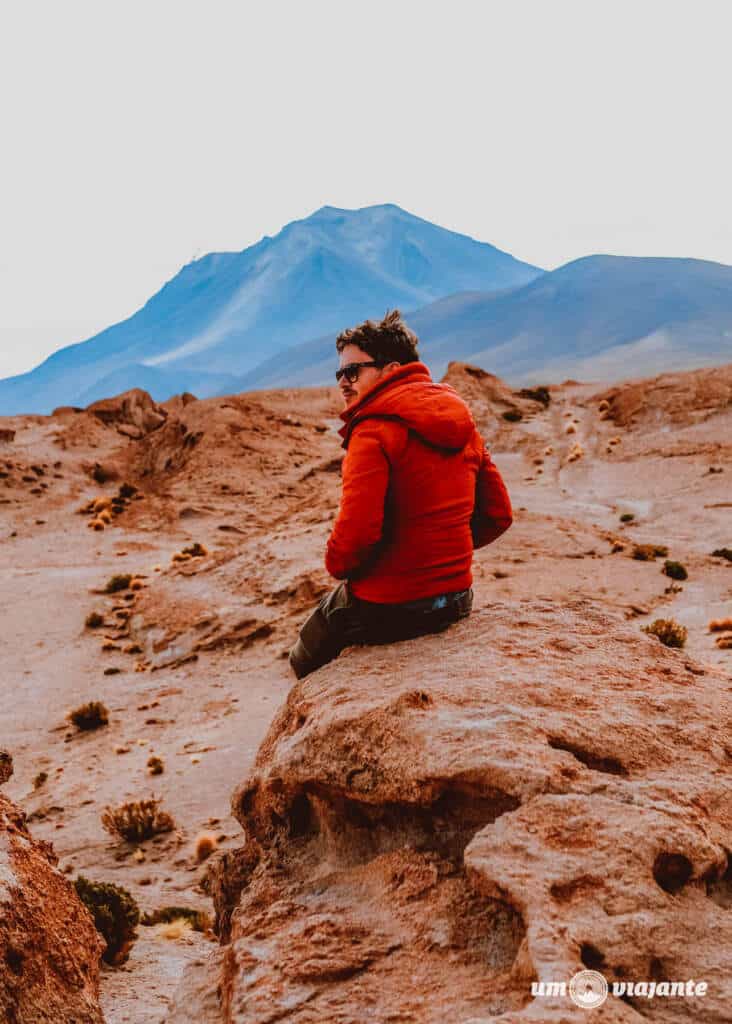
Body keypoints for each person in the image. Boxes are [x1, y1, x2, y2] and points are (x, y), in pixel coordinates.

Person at [289, 309, 513, 679]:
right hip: (457, 600)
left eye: (353, 371)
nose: (344, 383)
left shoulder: (373, 431)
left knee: (303, 658)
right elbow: (498, 515)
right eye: (339, 374)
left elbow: (355, 537)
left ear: (391, 370)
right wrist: (438, 554)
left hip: (390, 606)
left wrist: (347, 567)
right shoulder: (463, 423)